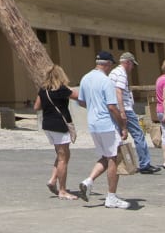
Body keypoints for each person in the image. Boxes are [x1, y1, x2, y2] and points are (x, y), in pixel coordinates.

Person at [72, 51, 133, 209]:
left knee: (106, 157)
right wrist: (123, 125)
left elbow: (82, 102)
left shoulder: (85, 78)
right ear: (106, 64)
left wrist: (94, 106)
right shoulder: (106, 81)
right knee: (114, 158)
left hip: (93, 124)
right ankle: (111, 197)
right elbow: (112, 107)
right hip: (107, 124)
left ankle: (88, 181)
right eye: (110, 65)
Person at [35, 64, 79, 199]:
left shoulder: (43, 90)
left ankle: (53, 179)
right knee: (63, 159)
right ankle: (63, 190)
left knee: (62, 155)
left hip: (48, 124)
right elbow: (77, 96)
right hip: (60, 125)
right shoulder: (62, 89)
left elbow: (36, 107)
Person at [114, 53, 161, 174]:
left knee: (118, 135)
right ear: (128, 62)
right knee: (138, 134)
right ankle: (145, 164)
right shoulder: (121, 74)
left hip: (114, 108)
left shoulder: (113, 73)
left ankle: (116, 164)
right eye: (132, 65)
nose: (132, 68)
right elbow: (118, 91)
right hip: (125, 109)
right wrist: (123, 111)